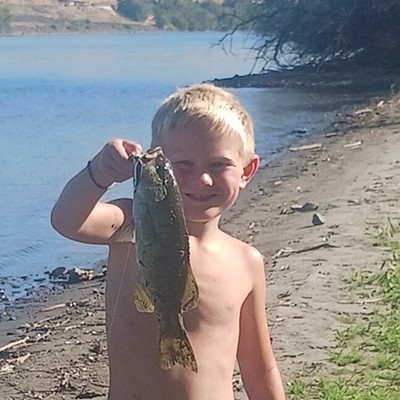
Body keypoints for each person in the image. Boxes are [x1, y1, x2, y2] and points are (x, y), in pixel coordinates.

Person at [51, 83, 286, 400]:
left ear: (247, 170)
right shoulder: (133, 224)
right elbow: (67, 220)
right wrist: (100, 172)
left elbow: (259, 368)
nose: (201, 179)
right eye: (182, 165)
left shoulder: (247, 262)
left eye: (218, 165)